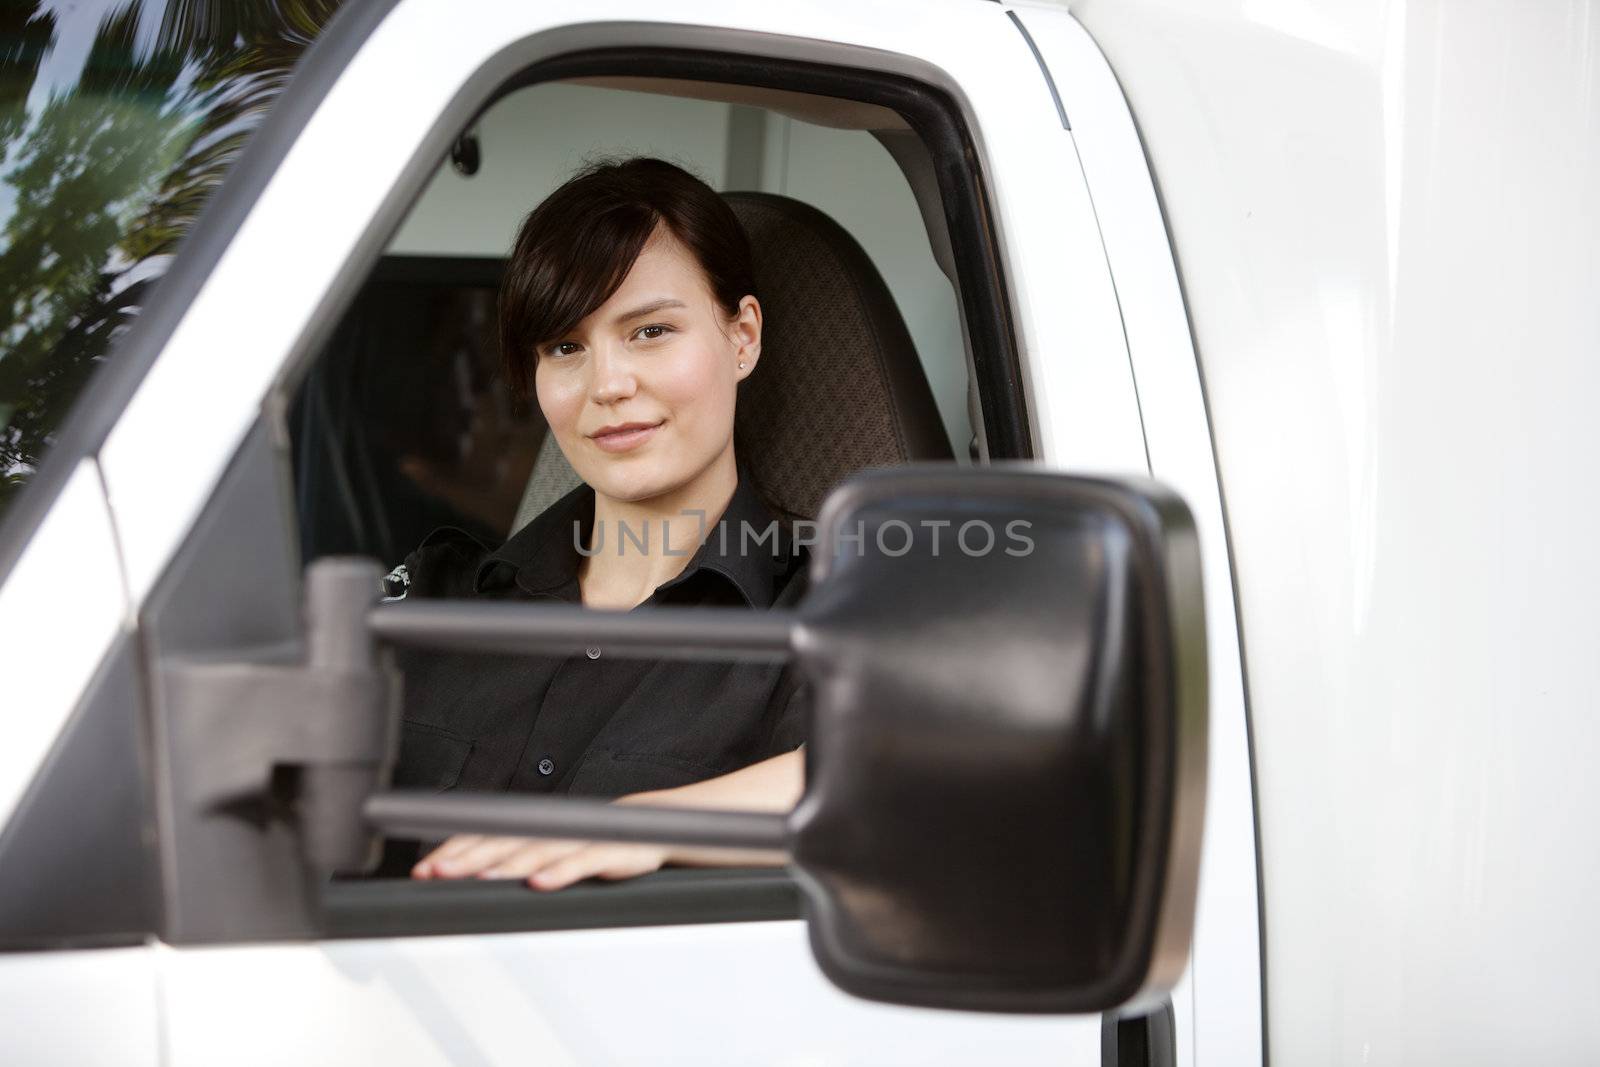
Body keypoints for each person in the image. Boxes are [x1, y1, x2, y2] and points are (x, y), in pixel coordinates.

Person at [378, 157, 807, 889]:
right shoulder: (437, 597)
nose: (607, 385)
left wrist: (648, 826)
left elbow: (921, 765)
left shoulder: (822, 613)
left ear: (743, 337)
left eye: (650, 331)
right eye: (565, 347)